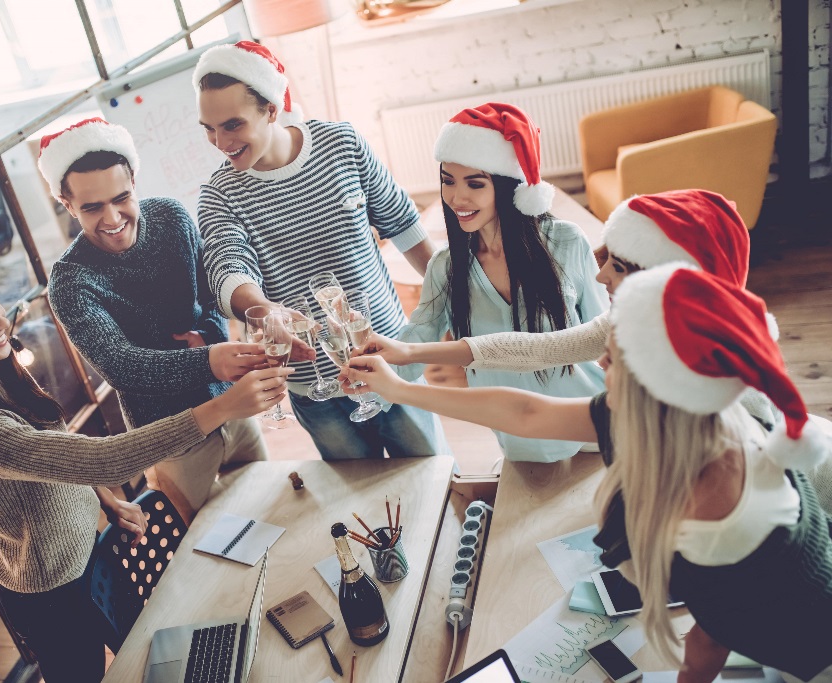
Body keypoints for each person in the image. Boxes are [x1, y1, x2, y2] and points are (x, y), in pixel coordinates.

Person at [344, 264, 832, 681]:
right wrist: (399, 389)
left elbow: (708, 641)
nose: (599, 362)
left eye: (613, 359)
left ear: (653, 384)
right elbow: (527, 412)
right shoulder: (685, 416)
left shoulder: (714, 503)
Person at [0, 253, 290, 682]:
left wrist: (106, 500)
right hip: (50, 592)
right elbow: (102, 459)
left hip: (90, 554)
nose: (1, 322)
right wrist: (221, 408)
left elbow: (59, 456)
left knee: (145, 660)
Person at [193, 40, 447, 460]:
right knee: (357, 489)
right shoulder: (219, 195)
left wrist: (455, 298)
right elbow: (228, 267)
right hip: (315, 387)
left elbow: (404, 225)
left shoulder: (341, 143)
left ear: (270, 109)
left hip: (388, 362)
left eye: (233, 125)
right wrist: (265, 310)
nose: (220, 141)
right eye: (208, 128)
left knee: (431, 473)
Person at [363, 189, 779, 428]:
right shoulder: (632, 323)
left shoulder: (701, 411)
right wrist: (408, 354)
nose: (600, 275)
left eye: (618, 266)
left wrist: (403, 387)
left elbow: (528, 412)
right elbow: (533, 350)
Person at [39, 117, 268, 519]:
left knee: (267, 506)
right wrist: (208, 360)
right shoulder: (70, 282)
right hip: (168, 439)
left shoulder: (171, 218)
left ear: (134, 182)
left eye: (121, 198)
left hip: (230, 404)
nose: (112, 218)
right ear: (67, 204)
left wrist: (210, 337)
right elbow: (122, 366)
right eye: (92, 207)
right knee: (200, 542)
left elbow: (209, 296)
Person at [392, 102, 608, 462]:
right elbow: (418, 337)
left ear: (508, 187)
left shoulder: (567, 242)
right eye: (448, 181)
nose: (457, 197)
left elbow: (602, 335)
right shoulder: (446, 267)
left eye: (475, 183)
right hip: (522, 440)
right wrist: (366, 375)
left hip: (591, 424)